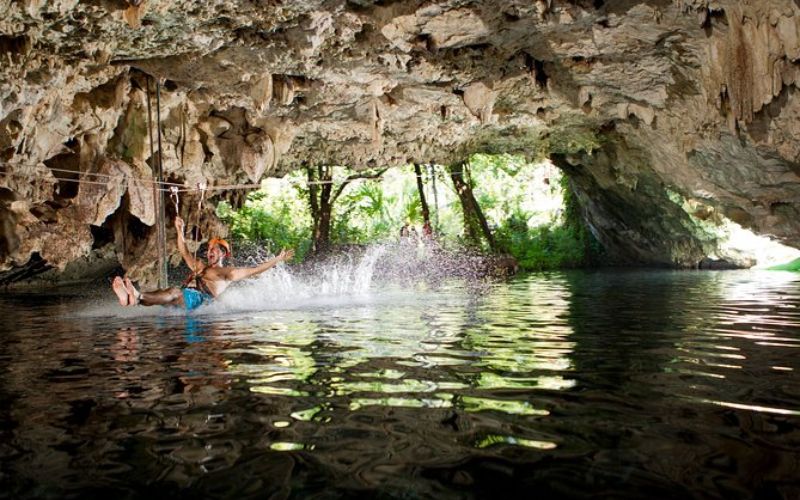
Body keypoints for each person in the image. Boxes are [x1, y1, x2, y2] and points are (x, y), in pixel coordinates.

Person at [111, 216, 294, 310]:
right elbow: (183, 251)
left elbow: (254, 270)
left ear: (223, 253)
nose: (209, 251)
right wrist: (179, 230)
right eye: (208, 249)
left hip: (200, 301)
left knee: (174, 293)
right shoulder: (200, 266)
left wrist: (277, 259)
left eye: (214, 249)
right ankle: (134, 298)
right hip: (185, 297)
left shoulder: (226, 273)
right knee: (169, 292)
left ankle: (137, 296)